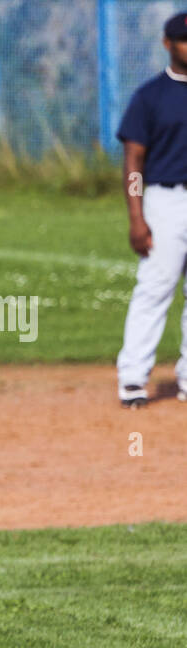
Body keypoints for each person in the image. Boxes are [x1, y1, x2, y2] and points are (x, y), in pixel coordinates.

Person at [116, 11, 187, 408]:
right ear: (167, 44)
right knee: (156, 288)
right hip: (165, 200)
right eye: (182, 39)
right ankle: (132, 378)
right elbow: (133, 161)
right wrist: (136, 216)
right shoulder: (150, 96)